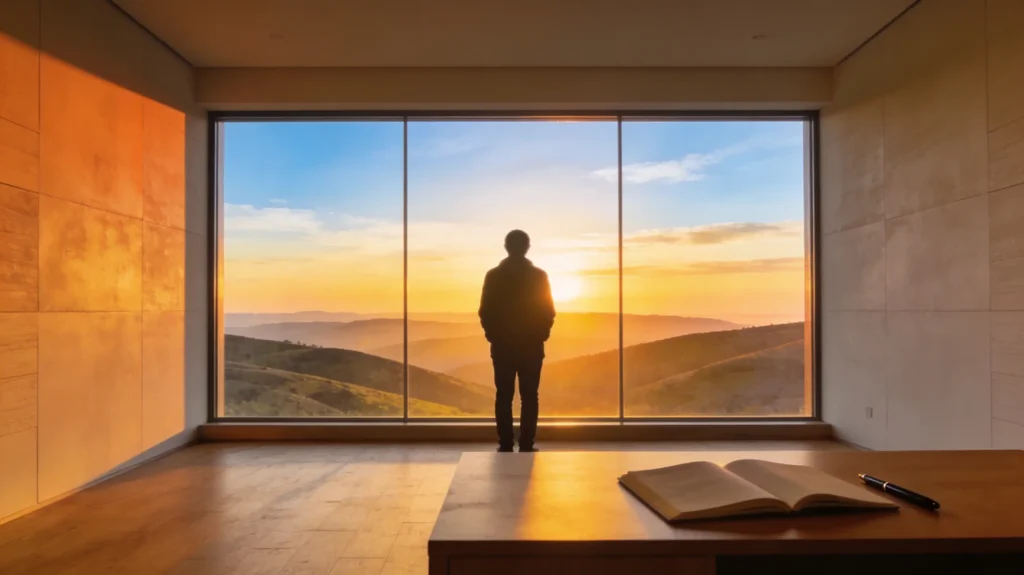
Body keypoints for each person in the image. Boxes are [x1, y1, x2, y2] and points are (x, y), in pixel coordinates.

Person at [478, 230, 555, 453]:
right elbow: (548, 310)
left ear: (506, 246)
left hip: (502, 346)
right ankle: (527, 444)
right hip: (531, 345)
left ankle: (505, 444)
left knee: (503, 395)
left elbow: (485, 311)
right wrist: (542, 334)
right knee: (530, 396)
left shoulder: (493, 276)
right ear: (527, 247)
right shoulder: (539, 276)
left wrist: (492, 335)